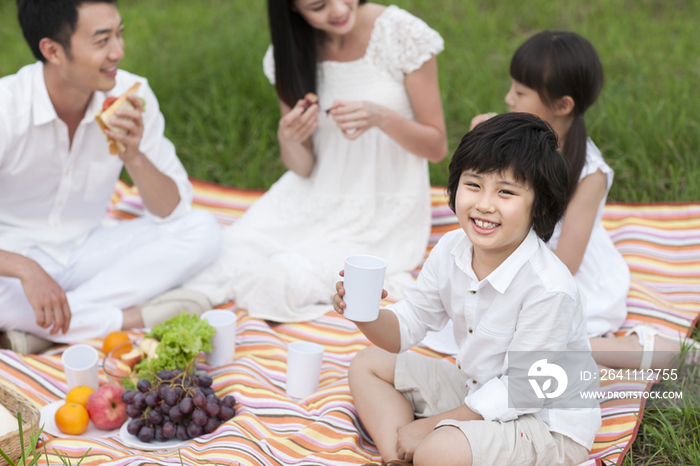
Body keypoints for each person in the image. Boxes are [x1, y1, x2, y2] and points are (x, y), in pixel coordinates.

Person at [334, 113, 601, 466]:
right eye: (473, 185)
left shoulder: (548, 287)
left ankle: (425, 449)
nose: (484, 204)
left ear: (540, 206)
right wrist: (364, 314)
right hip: (476, 389)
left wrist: (430, 426)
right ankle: (397, 457)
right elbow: (409, 323)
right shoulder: (451, 249)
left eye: (505, 192)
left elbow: (524, 391)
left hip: (545, 424)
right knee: (367, 364)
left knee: (439, 449)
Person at [424, 31, 698, 369]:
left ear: (562, 105)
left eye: (521, 92)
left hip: (552, 268)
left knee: (531, 344)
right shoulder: (500, 135)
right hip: (501, 252)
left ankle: (653, 350)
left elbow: (566, 264)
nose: (509, 98)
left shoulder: (589, 173)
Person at [184, 0, 448, 321]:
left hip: (379, 213)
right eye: (318, 5)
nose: (337, 10)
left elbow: (436, 147)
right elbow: (304, 167)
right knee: (216, 258)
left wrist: (381, 117)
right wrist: (289, 137)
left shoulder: (402, 34)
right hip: (310, 195)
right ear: (293, 9)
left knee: (280, 278)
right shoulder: (290, 52)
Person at [0, 0, 222, 353]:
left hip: (87, 249)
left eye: (119, 34)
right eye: (102, 41)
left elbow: (170, 212)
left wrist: (133, 155)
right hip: (10, 263)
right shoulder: (7, 108)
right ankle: (132, 319)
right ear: (53, 50)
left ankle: (46, 328)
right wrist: (25, 269)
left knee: (202, 230)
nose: (118, 52)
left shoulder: (131, 96)